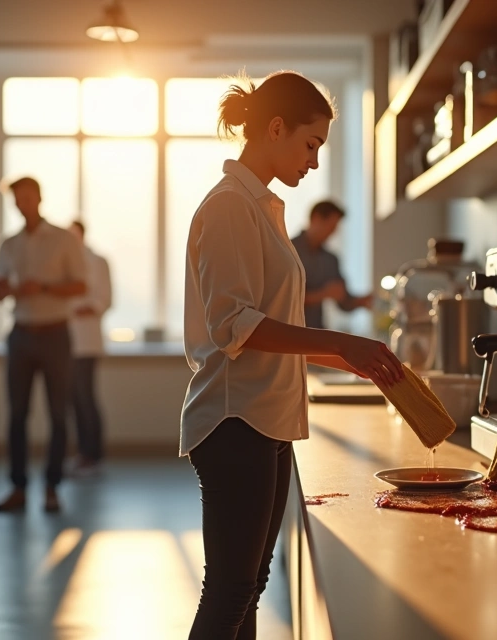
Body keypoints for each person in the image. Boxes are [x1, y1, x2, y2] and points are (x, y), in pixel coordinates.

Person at [181, 70, 404, 640]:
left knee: (250, 585)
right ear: (274, 128)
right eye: (310, 144)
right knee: (231, 589)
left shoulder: (264, 208)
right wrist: (340, 343)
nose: (314, 161)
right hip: (236, 421)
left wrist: (355, 359)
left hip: (268, 418)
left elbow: (279, 330)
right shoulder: (231, 206)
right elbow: (235, 326)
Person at [0, 177, 87, 514]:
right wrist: (2, 289)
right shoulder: (9, 244)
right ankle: (18, 487)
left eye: (27, 197)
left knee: (58, 413)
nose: (22, 203)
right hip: (21, 334)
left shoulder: (62, 240)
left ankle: (52, 487)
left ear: (39, 198)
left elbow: (79, 286)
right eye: (17, 199)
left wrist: (42, 287)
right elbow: (0, 286)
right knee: (17, 414)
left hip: (55, 334)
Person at [67, 220, 112, 476]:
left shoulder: (98, 261)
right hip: (69, 342)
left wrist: (87, 308)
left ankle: (93, 454)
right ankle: (83, 453)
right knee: (74, 399)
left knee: (86, 397)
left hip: (88, 341)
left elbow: (104, 298)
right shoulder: (65, 261)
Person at [290, 200, 374, 329]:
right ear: (316, 218)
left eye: (335, 228)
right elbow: (283, 296)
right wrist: (322, 294)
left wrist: (360, 302)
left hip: (316, 332)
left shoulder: (331, 260)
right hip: (287, 332)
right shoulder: (288, 250)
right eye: (330, 226)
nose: (332, 232)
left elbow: (343, 301)